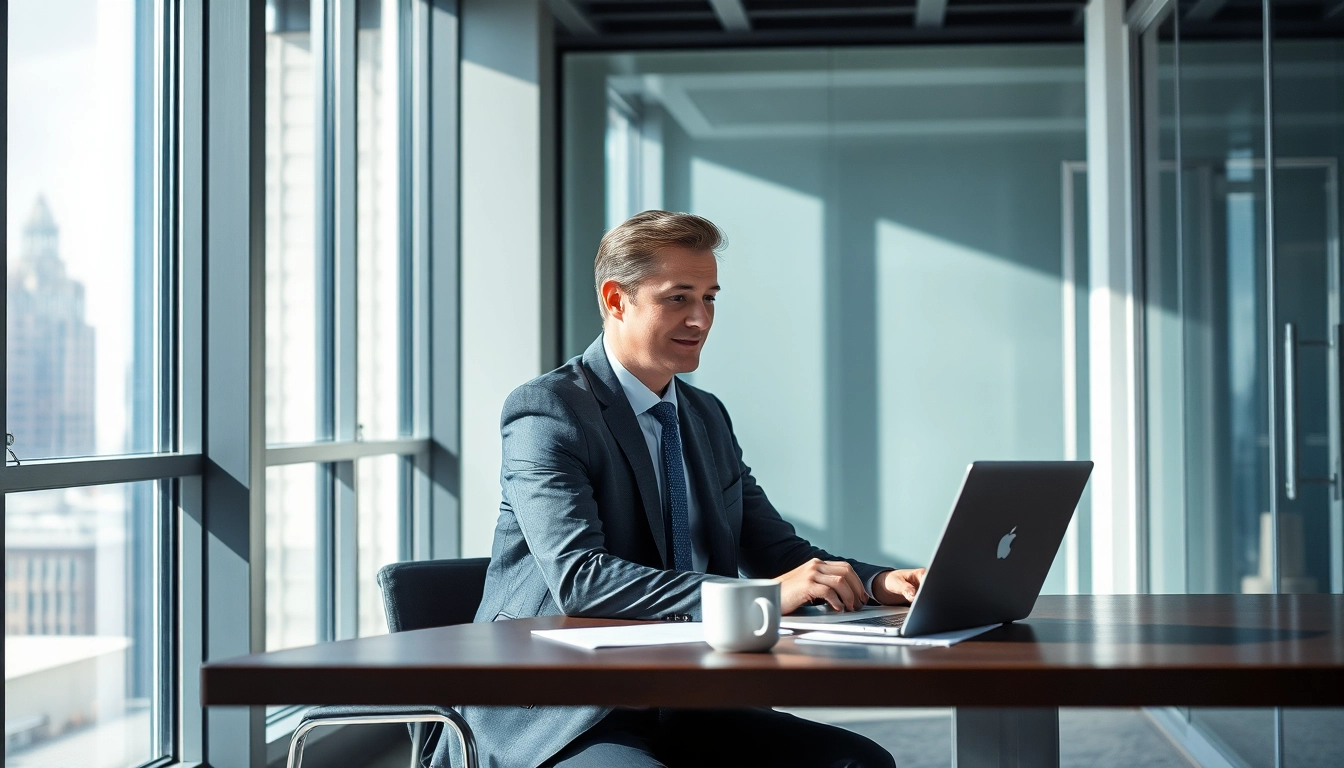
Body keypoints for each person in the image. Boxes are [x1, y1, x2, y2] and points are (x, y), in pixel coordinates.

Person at [456, 211, 926, 768]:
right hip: (571, 706)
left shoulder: (704, 416)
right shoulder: (548, 411)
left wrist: (878, 581)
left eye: (709, 298)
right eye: (677, 298)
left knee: (858, 763)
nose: (699, 318)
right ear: (615, 299)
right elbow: (580, 579)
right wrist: (763, 598)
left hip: (692, 697)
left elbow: (777, 552)